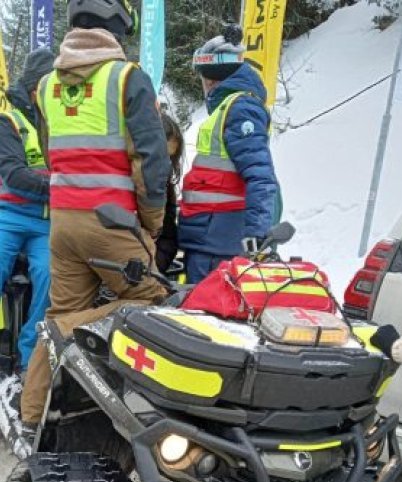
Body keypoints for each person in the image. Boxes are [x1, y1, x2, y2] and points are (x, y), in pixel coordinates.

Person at [20, 0, 170, 434]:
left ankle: (34, 415)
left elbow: (54, 156)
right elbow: (151, 162)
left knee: (61, 312)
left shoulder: (47, 85)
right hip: (113, 223)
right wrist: (152, 222)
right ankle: (138, 420)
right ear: (115, 30)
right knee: (152, 301)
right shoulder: (127, 78)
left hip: (63, 223)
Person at [179, 28, 279, 283]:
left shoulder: (240, 109)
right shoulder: (228, 108)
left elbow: (261, 176)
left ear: (211, 79)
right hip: (208, 236)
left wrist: (256, 236)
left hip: (219, 242)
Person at [0, 49, 55, 373]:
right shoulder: (9, 121)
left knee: (51, 276)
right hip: (8, 215)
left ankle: (28, 356)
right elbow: (14, 175)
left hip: (47, 221)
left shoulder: (61, 121)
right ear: (36, 88)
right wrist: (61, 186)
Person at [156, 111, 183, 274]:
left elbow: (168, 238)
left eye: (170, 158)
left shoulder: (166, 187)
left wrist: (153, 267)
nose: (165, 165)